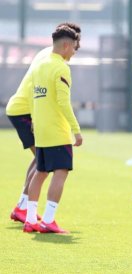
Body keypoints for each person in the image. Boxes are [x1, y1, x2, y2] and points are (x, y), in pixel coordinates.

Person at [7, 22, 81, 224]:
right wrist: (75, 129)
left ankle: (27, 213)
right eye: (75, 45)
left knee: (41, 164)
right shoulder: (56, 64)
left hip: (30, 111)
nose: (76, 49)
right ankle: (32, 213)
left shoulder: (45, 58)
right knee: (48, 166)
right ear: (66, 43)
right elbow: (54, 98)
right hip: (28, 111)